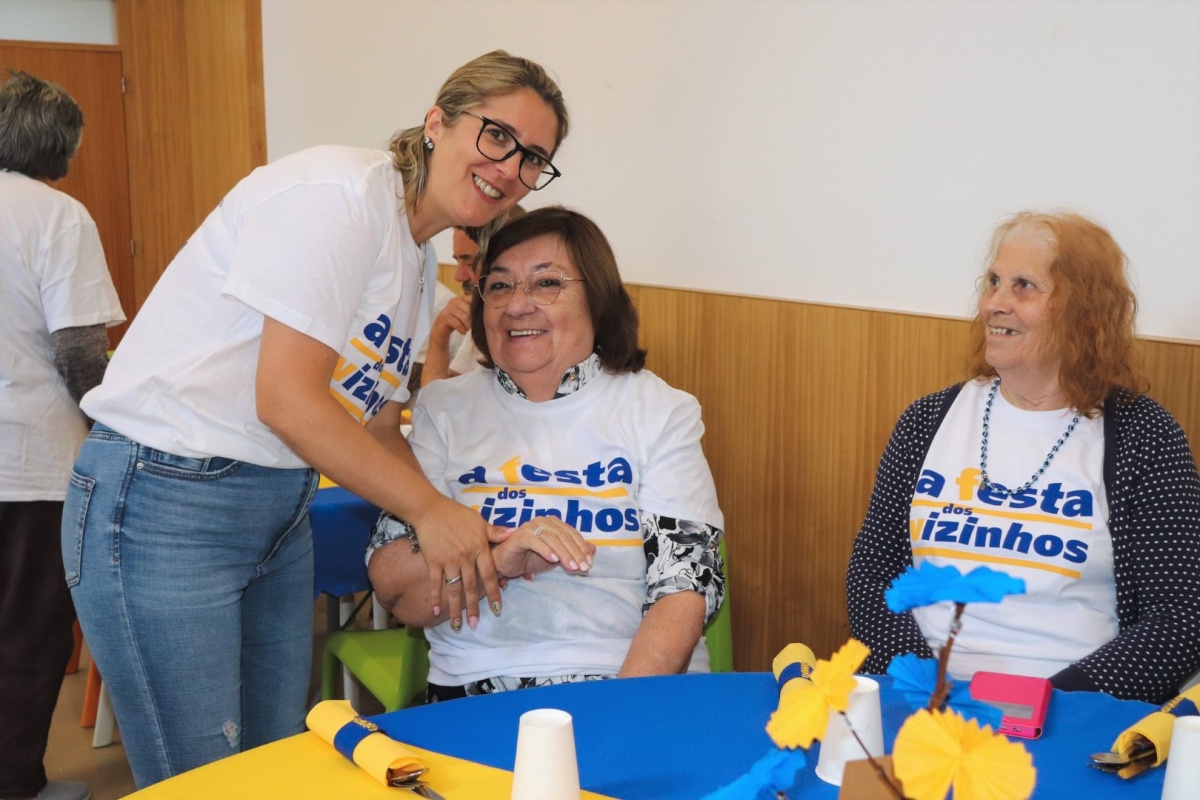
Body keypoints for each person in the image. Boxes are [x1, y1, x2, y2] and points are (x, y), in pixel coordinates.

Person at [63, 51, 569, 787]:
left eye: (534, 159)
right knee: (202, 779)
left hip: (280, 506)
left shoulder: (414, 261)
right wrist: (431, 513)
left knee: (274, 767)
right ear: (438, 122)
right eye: (498, 136)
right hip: (167, 498)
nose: (510, 168)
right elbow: (286, 400)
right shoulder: (339, 195)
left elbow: (377, 428)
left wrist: (465, 524)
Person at [367, 207, 726, 699]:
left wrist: (616, 714)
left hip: (631, 683)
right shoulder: (442, 409)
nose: (517, 306)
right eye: (499, 286)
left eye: (546, 283)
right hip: (479, 689)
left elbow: (685, 587)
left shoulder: (660, 410)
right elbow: (397, 592)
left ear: (597, 299)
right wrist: (498, 560)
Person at [846, 211, 1200, 703]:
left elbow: (1180, 619)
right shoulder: (926, 421)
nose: (994, 304)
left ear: (1082, 311)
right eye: (993, 282)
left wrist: (1049, 702)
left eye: (1024, 286)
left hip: (1070, 706)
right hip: (923, 696)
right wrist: (925, 680)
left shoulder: (1144, 436)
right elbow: (872, 575)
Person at [0, 70, 125, 800]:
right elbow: (79, 352)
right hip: (29, 460)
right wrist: (116, 423)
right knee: (27, 631)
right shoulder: (57, 216)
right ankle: (16, 784)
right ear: (62, 144)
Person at [419, 207, 527, 388]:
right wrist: (439, 335)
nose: (458, 276)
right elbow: (438, 399)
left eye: (469, 262)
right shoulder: (483, 319)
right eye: (457, 261)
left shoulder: (529, 331)